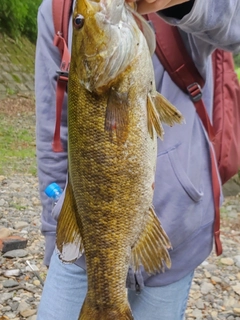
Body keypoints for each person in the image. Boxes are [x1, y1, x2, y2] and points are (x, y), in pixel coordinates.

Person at [35, 0, 240, 319]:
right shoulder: (56, 9)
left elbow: (233, 25)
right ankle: (106, 299)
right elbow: (52, 130)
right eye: (81, 22)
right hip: (82, 250)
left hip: (173, 238)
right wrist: (54, 234)